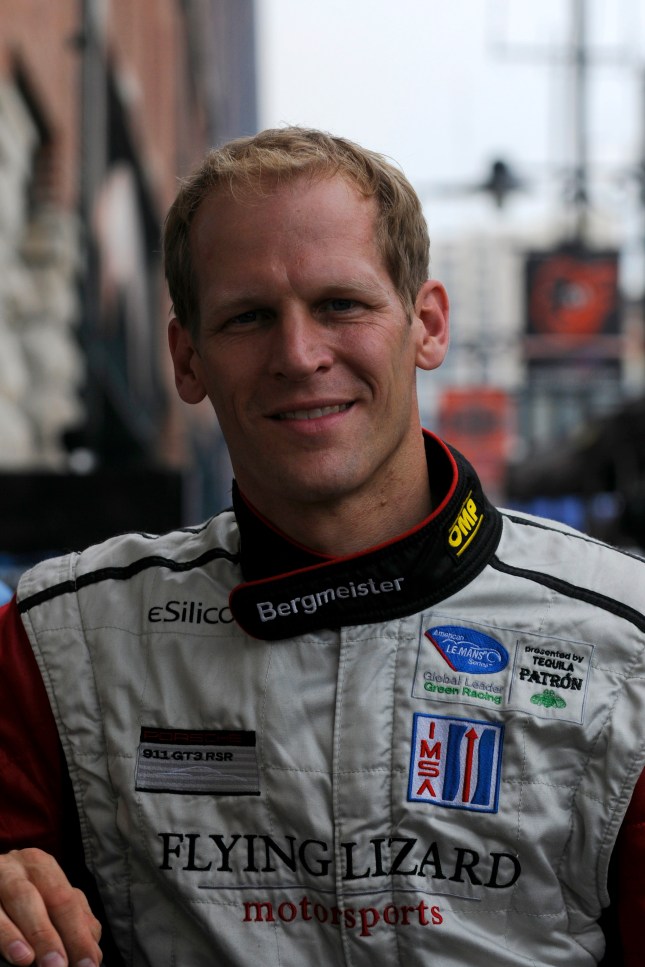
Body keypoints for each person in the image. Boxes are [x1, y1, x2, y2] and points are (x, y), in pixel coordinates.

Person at [0, 126, 643, 967]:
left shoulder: (625, 646)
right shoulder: (58, 646)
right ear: (187, 358)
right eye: (248, 317)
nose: (299, 356)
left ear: (427, 324)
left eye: (340, 304)